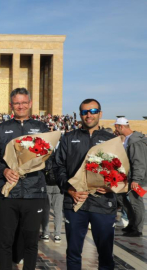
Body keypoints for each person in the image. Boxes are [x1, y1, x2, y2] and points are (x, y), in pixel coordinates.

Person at [54, 98, 116, 270]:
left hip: (103, 203)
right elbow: (57, 167)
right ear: (80, 115)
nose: (89, 115)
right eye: (85, 112)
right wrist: (69, 189)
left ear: (100, 114)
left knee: (105, 253)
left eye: (93, 111)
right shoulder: (68, 138)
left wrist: (111, 185)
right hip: (75, 203)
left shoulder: (111, 139)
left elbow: (123, 170)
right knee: (73, 252)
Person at [0, 88, 49, 270]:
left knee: (31, 242)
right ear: (11, 105)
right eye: (17, 103)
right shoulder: (2, 129)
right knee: (5, 241)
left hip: (34, 193)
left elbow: (50, 159)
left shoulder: (41, 128)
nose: (21, 106)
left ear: (30, 104)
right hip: (8, 193)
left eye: (24, 102)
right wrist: (4, 170)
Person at [114, 117, 147, 237]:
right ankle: (132, 224)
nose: (115, 130)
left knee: (136, 202)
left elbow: (138, 161)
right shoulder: (129, 139)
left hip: (135, 178)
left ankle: (137, 229)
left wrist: (136, 180)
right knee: (120, 196)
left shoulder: (135, 141)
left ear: (121, 127)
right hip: (128, 176)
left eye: (116, 128)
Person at [40, 152, 64, 244]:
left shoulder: (46, 154)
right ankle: (57, 235)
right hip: (58, 186)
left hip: (47, 185)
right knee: (58, 211)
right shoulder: (61, 155)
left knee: (46, 210)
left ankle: (45, 233)